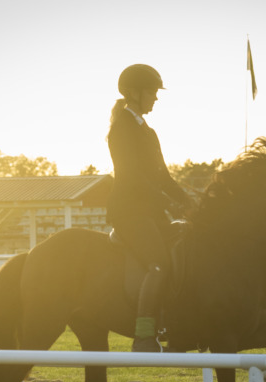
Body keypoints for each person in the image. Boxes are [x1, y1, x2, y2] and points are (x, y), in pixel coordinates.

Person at [107, 64, 191, 352]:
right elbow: (132, 177)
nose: (156, 98)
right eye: (152, 92)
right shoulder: (121, 129)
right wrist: (167, 202)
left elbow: (163, 176)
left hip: (152, 213)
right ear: (133, 93)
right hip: (130, 213)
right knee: (159, 265)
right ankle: (144, 335)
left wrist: (189, 201)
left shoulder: (149, 131)